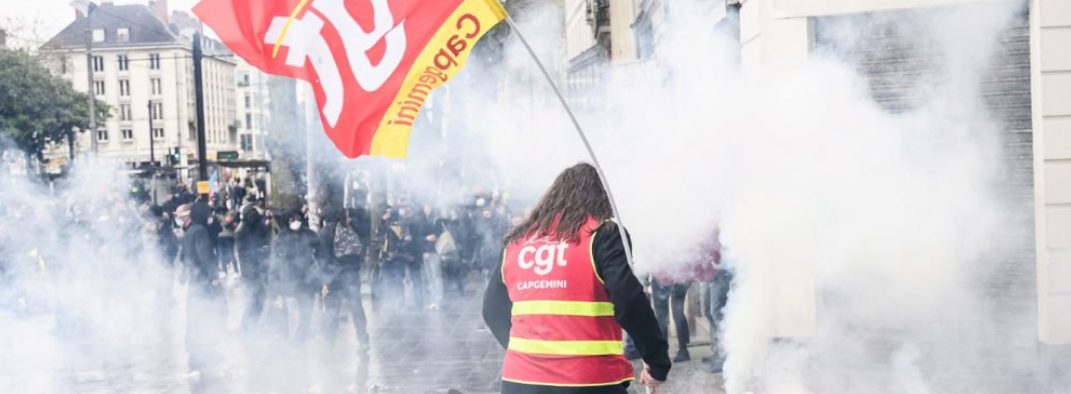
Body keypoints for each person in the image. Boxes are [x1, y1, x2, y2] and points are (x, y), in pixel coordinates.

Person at [483, 163, 671, 394]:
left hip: (520, 380)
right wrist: (656, 360)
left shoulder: (517, 240)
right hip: (589, 380)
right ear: (600, 198)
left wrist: (523, 353)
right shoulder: (603, 235)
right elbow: (628, 301)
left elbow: (491, 309)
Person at [176, 203, 226, 375]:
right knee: (210, 315)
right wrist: (214, 277)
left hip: (195, 283)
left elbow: (184, 257)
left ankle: (195, 353)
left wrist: (183, 274)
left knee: (195, 318)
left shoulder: (190, 231)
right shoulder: (200, 231)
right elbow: (205, 255)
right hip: (204, 283)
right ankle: (202, 353)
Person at [268, 209, 322, 342]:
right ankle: (295, 345)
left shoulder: (309, 235)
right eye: (292, 219)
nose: (295, 222)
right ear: (287, 221)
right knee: (294, 316)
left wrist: (320, 276)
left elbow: (320, 254)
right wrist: (274, 283)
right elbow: (274, 263)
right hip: (289, 283)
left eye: (297, 218)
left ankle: (299, 341)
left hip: (307, 282)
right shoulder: (280, 239)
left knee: (306, 315)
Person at [324, 208, 371, 354]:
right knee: (341, 310)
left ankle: (359, 340)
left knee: (347, 309)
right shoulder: (330, 232)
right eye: (347, 216)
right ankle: (333, 342)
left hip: (344, 276)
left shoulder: (352, 229)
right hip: (340, 276)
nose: (350, 218)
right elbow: (324, 256)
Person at [235, 196, 269, 330]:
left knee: (259, 299)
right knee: (253, 301)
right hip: (249, 272)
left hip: (259, 268)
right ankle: (246, 328)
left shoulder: (257, 226)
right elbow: (245, 254)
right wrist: (261, 252)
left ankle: (251, 326)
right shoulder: (241, 231)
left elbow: (264, 240)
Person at [416, 204, 444, 309]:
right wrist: (426, 239)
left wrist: (432, 238)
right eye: (425, 207)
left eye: (429, 207)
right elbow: (419, 236)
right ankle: (433, 300)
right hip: (425, 252)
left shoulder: (436, 220)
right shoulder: (421, 220)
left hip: (434, 251)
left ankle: (438, 301)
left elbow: (437, 235)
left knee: (436, 277)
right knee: (429, 278)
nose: (427, 210)